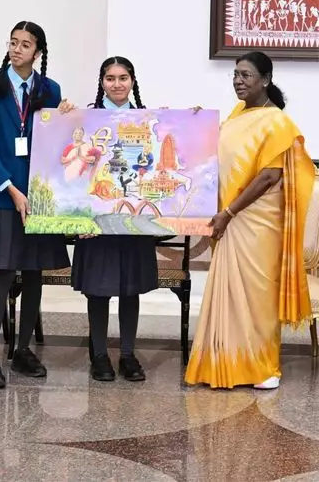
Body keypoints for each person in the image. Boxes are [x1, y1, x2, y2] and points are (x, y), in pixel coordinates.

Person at [185, 51, 314, 390]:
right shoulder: (239, 114)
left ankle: (262, 368)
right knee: (230, 293)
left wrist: (229, 213)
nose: (238, 81)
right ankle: (223, 363)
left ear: (266, 80)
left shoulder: (277, 122)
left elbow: (269, 176)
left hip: (256, 222)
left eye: (246, 75)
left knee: (257, 295)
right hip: (230, 218)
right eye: (235, 75)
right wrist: (194, 122)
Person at [0, 21, 70, 389]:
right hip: (3, 196)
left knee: (33, 274)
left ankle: (23, 350)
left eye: (25, 44)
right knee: (2, 274)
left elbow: (59, 139)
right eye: (13, 42)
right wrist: (11, 189)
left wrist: (69, 115)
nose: (17, 49)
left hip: (39, 196)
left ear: (38, 52)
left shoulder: (49, 89)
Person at [60, 56, 154, 382]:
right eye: (110, 78)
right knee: (97, 290)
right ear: (101, 82)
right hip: (95, 221)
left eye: (123, 77)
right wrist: (60, 119)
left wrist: (191, 120)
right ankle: (99, 355)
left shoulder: (148, 119)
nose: (117, 84)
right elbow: (74, 171)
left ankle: (127, 355)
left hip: (131, 219)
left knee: (131, 289)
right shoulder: (85, 121)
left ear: (132, 81)